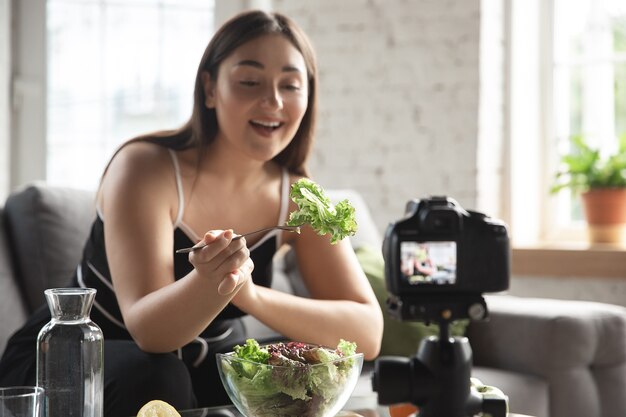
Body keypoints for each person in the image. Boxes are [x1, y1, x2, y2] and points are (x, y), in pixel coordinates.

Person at [0, 10, 383, 416]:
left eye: (290, 85)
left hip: (194, 364)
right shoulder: (145, 168)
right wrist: (214, 281)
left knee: (279, 378)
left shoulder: (300, 197)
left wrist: (249, 294)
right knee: (160, 377)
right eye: (250, 82)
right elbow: (149, 331)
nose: (273, 101)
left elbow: (367, 333)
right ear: (210, 89)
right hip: (72, 359)